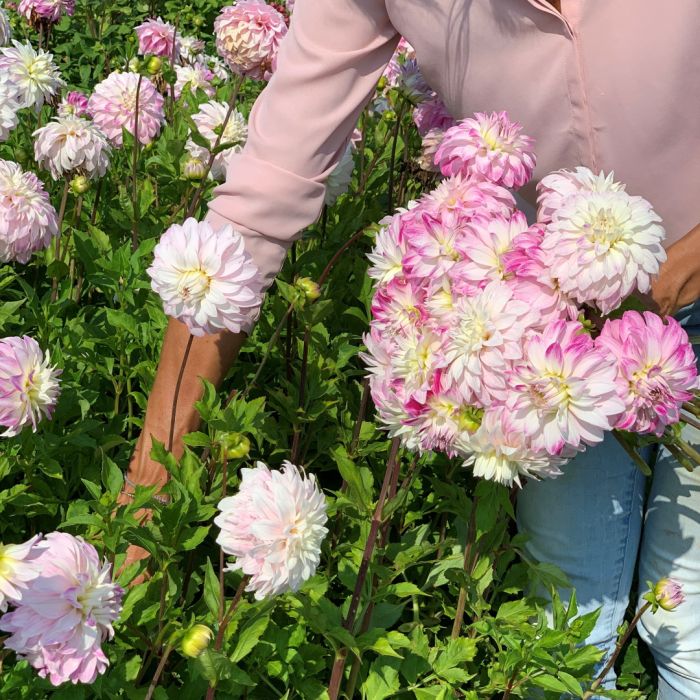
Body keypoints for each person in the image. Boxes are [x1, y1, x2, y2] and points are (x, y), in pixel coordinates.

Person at [121, 1, 700, 697]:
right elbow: (258, 203)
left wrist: (683, 264)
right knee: (566, 629)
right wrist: (148, 500)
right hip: (549, 347)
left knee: (689, 632)